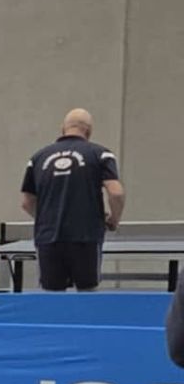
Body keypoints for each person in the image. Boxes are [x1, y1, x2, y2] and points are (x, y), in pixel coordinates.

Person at [21, 110, 124, 291]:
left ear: (63, 128)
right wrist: (113, 220)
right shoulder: (101, 154)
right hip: (85, 237)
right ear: (89, 131)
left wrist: (48, 219)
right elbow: (116, 193)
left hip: (48, 238)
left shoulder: (37, 158)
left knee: (52, 296)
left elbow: (27, 202)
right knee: (87, 293)